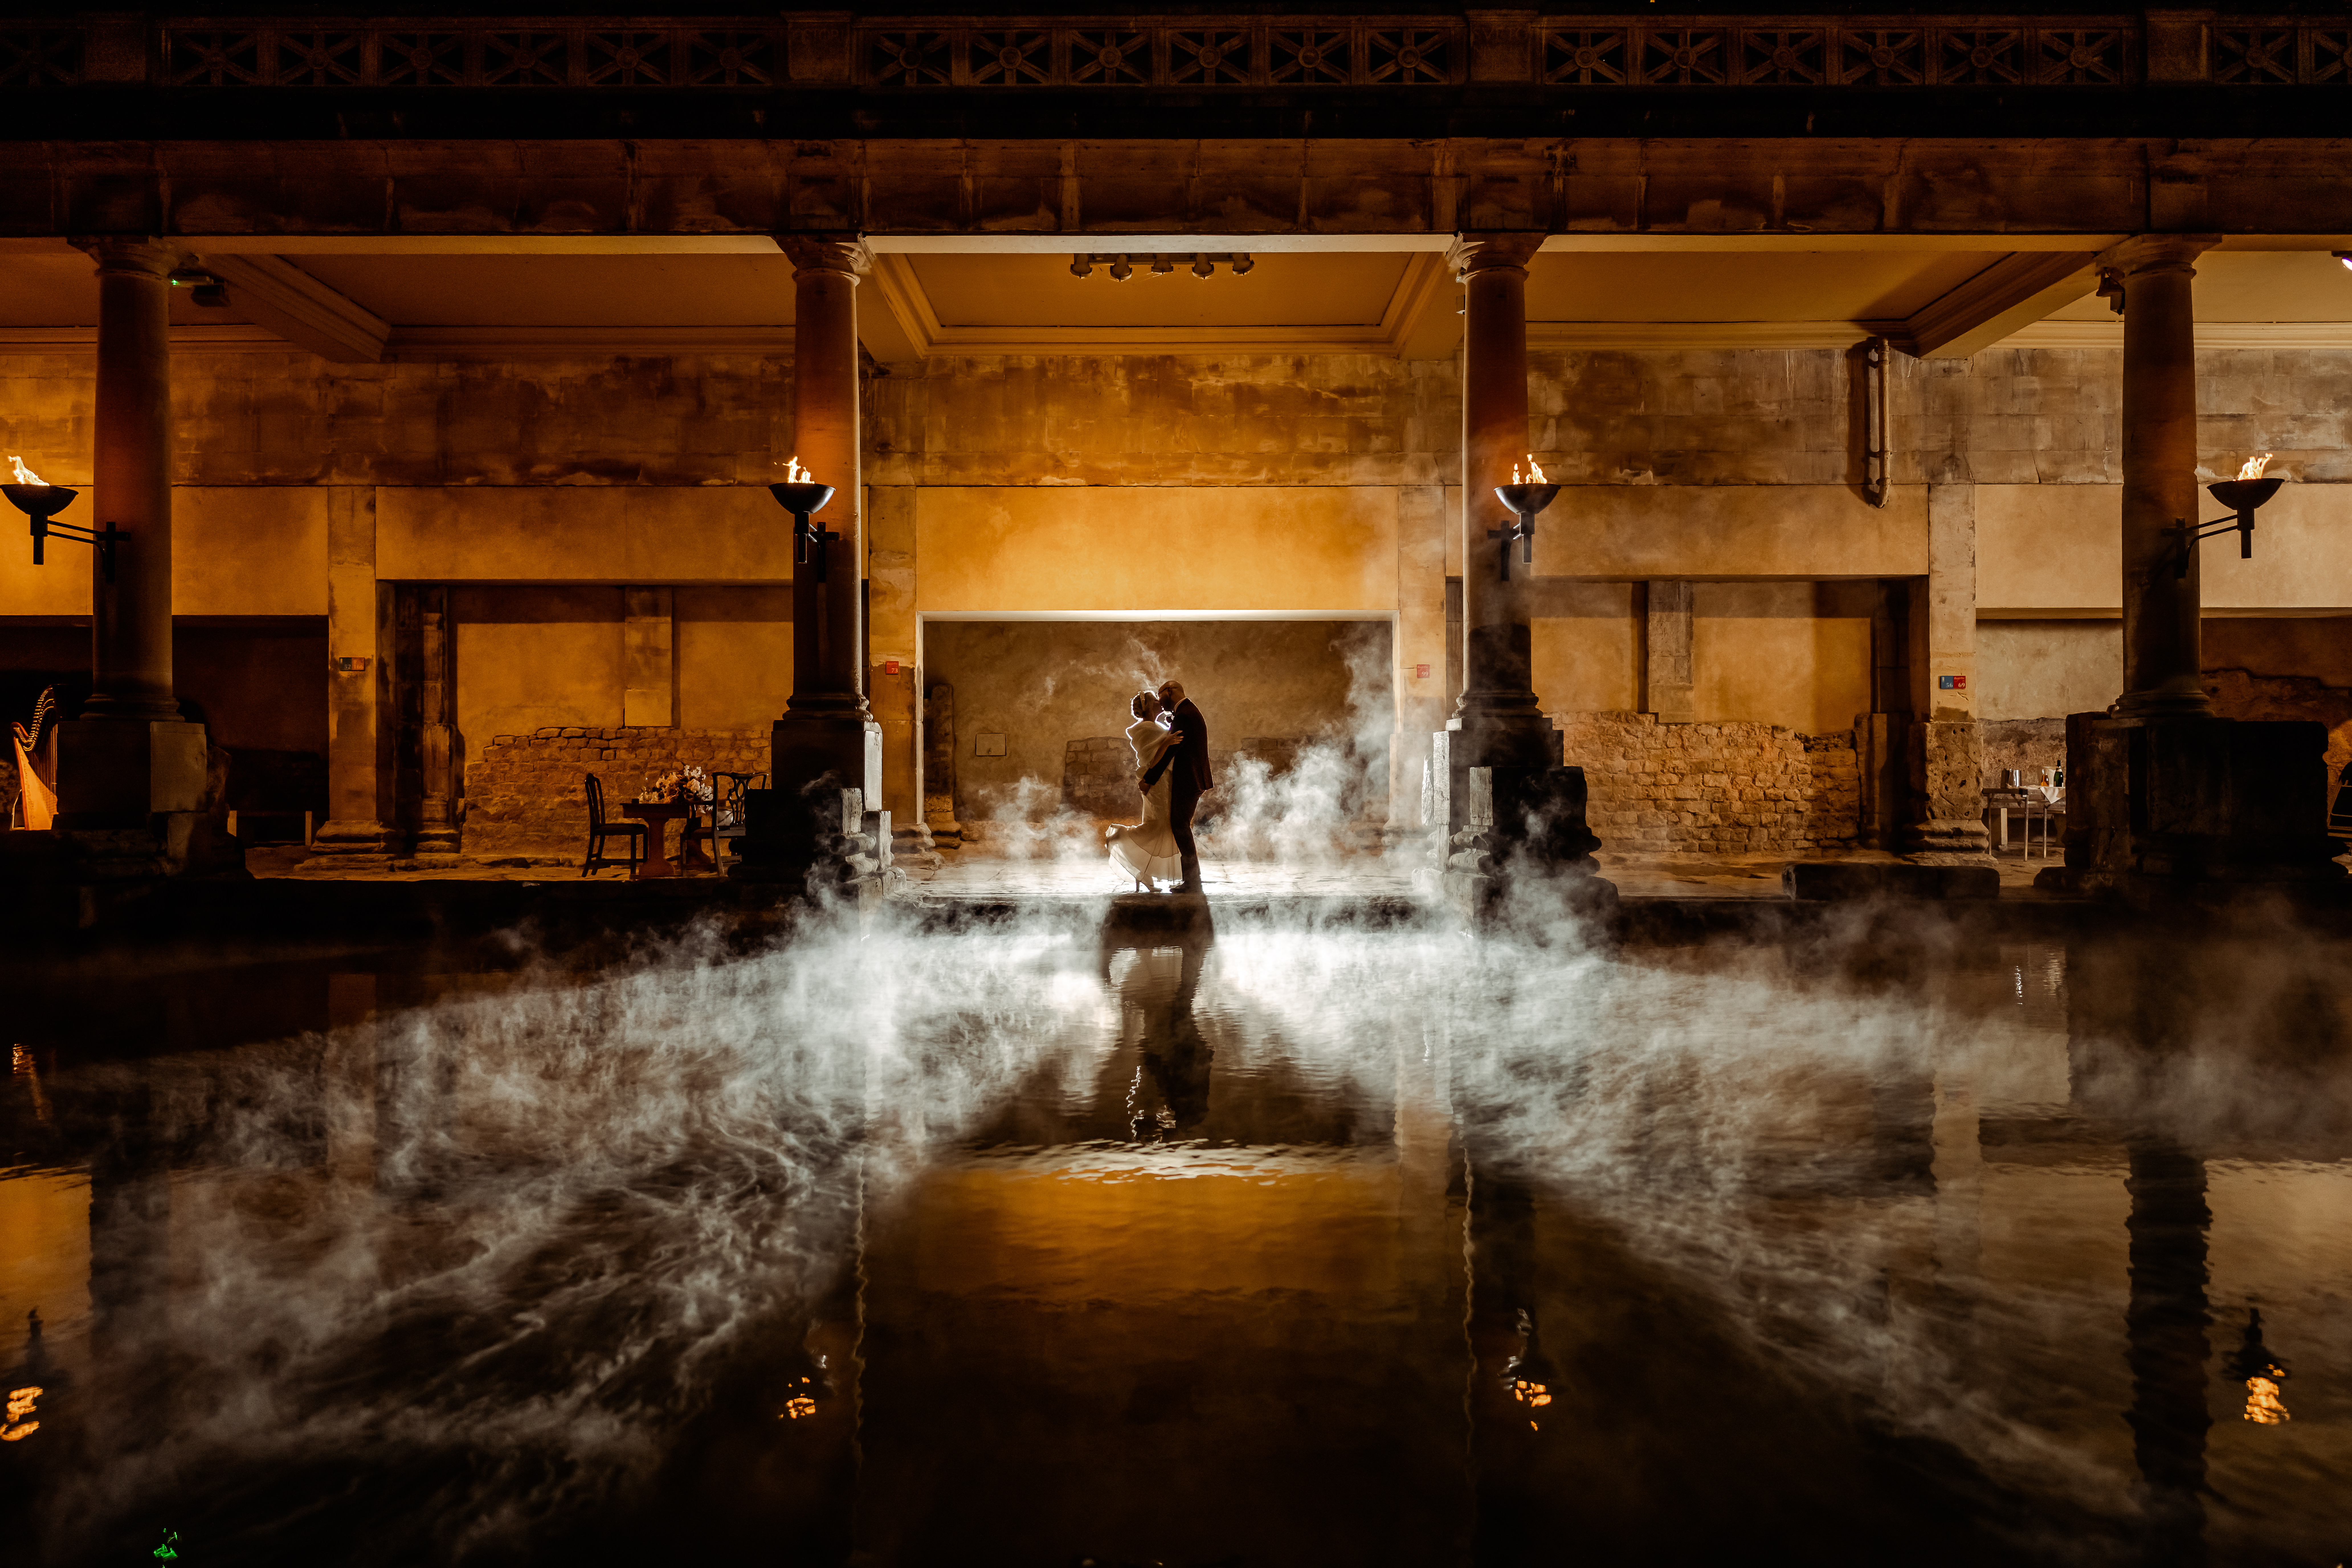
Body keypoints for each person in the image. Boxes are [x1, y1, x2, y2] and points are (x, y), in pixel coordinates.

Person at [1106, 691, 1183, 891]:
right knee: (1160, 824)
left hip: (1162, 780)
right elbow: (1152, 761)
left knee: (1158, 824)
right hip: (1156, 781)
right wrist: (1167, 741)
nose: (1160, 703)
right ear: (1149, 707)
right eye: (1156, 701)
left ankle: (1144, 873)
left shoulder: (1153, 727)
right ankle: (1121, 837)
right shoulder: (1147, 728)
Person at [1156, 679, 1214, 895]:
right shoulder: (1187, 711)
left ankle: (1192, 882)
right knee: (1181, 827)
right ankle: (1192, 880)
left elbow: (1170, 751)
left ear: (1169, 691)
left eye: (1160, 696)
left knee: (1180, 827)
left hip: (1189, 780)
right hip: (1193, 778)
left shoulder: (1185, 715)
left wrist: (1149, 780)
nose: (1160, 703)